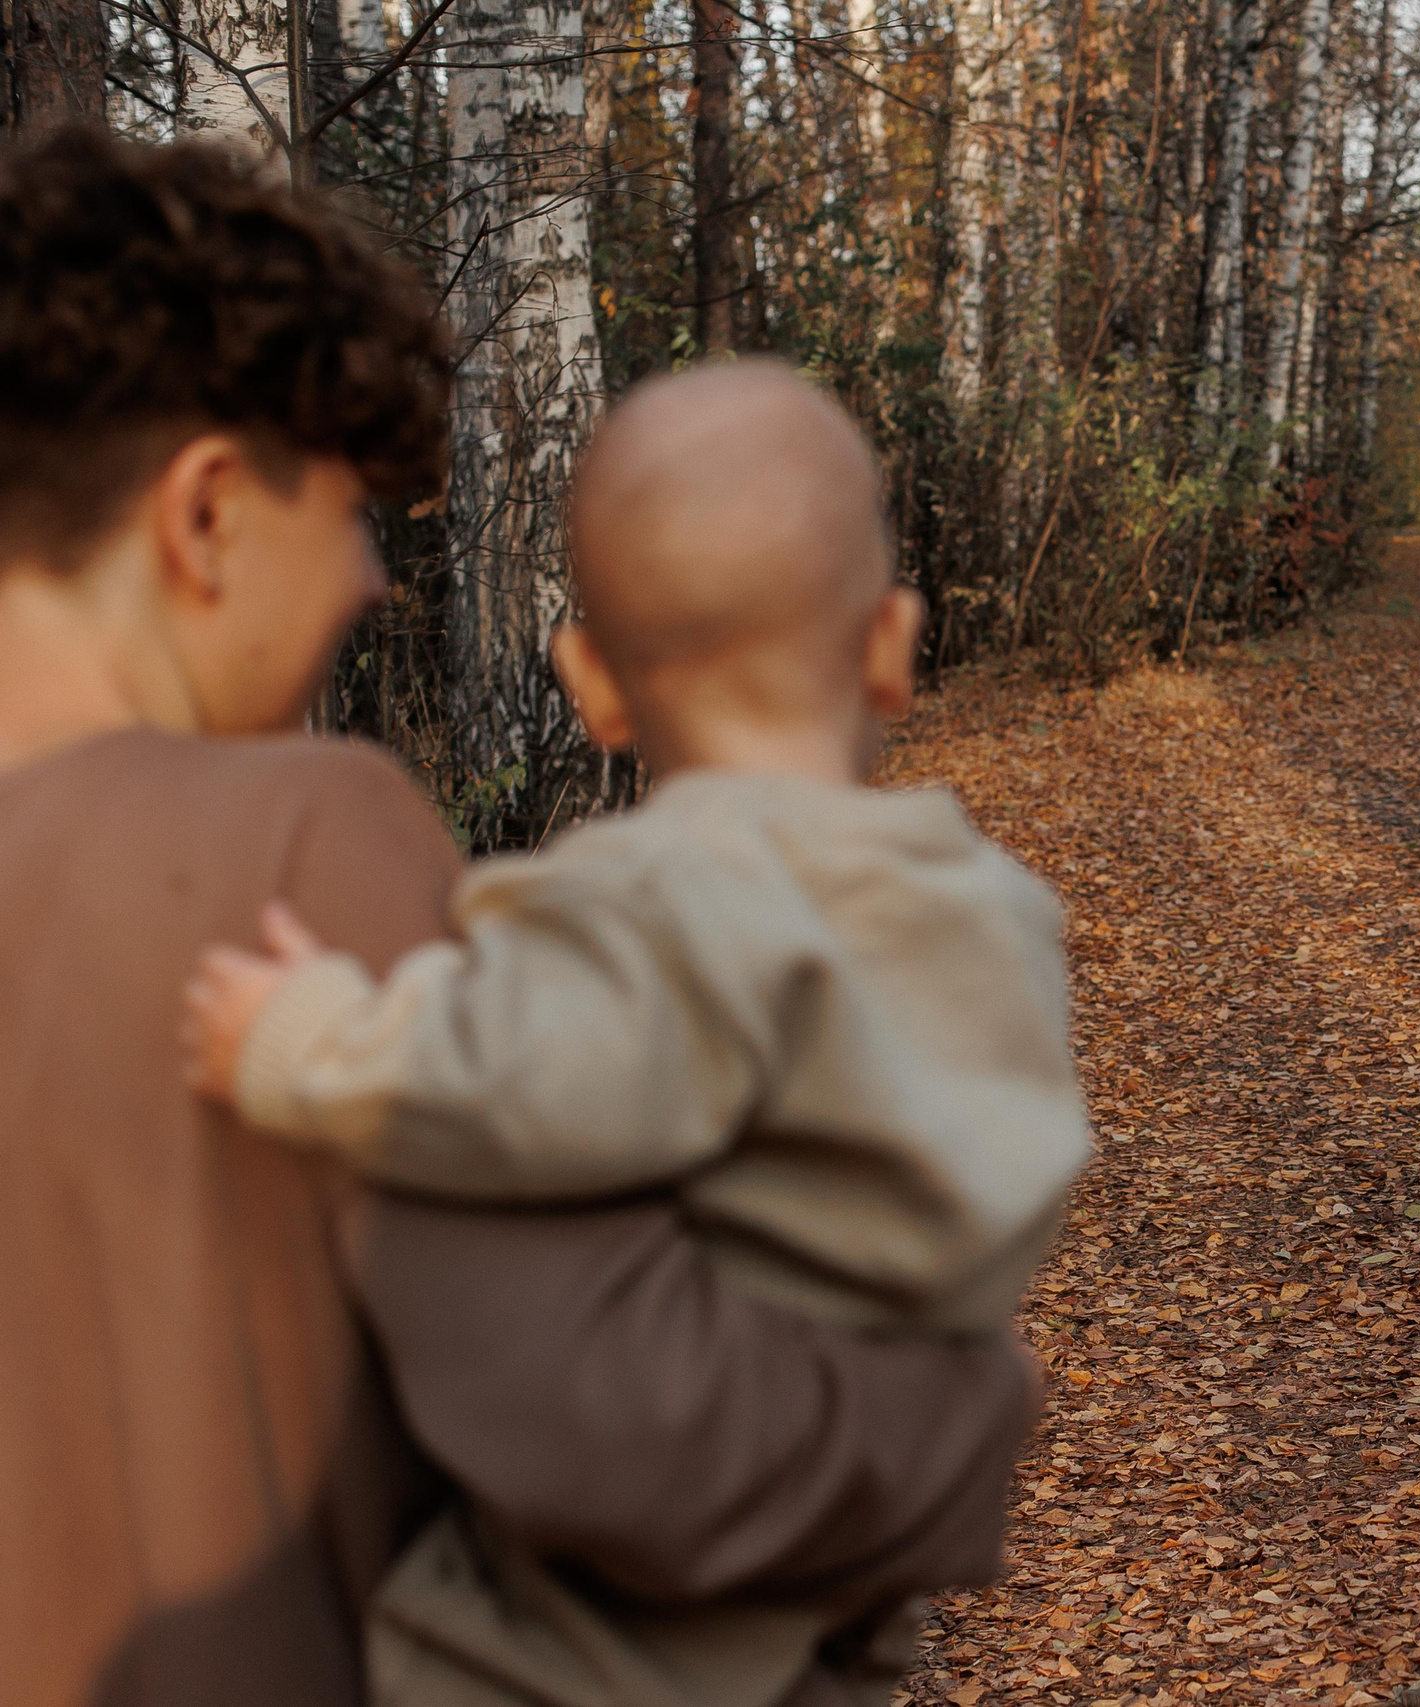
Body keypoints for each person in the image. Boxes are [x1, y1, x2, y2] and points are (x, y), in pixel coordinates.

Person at [0, 127, 1035, 1707]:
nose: (367, 582)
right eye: (346, 511)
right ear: (206, 515)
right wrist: (969, 1422)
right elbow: (631, 1434)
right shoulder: (290, 838)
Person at [180, 360, 1091, 1705]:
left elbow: (520, 1081)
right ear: (892, 646)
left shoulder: (661, 901)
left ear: (593, 686)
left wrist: (309, 1038)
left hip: (607, 1634)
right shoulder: (999, 913)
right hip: (854, 1551)